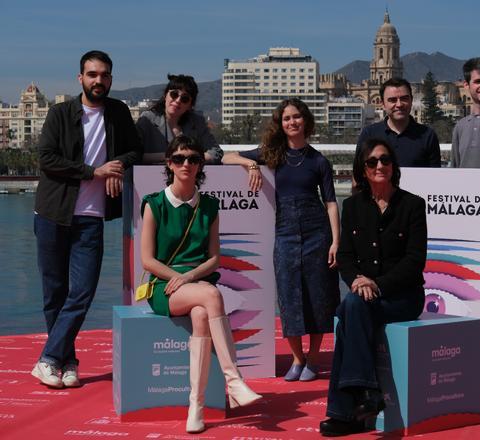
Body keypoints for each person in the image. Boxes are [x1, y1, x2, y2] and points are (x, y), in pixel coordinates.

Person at [32, 50, 141, 388]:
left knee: (81, 293)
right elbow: (47, 158)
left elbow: (134, 151)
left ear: (110, 79)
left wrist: (117, 165)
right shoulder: (60, 113)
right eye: (92, 74)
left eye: (104, 75)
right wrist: (93, 172)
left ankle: (48, 358)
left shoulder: (119, 112)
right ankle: (66, 362)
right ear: (80, 78)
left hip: (91, 218)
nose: (99, 80)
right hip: (52, 213)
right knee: (55, 293)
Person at [140, 135, 261, 433]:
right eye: (179, 159)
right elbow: (147, 260)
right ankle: (234, 381)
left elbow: (214, 259)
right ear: (169, 164)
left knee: (201, 314)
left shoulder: (209, 206)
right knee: (210, 295)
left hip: (195, 283)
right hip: (163, 287)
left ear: (200, 165)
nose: (186, 164)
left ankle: (196, 406)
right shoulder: (154, 204)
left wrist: (189, 277)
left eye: (193, 159)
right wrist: (177, 277)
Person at [223, 98, 340, 382]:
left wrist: (336, 241)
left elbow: (331, 203)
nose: (292, 122)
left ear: (306, 121)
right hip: (285, 232)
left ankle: (313, 359)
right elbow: (226, 157)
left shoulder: (318, 161)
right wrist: (251, 165)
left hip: (317, 232)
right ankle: (297, 359)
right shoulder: (272, 154)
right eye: (286, 118)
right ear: (281, 123)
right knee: (289, 296)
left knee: (317, 296)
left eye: (297, 117)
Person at [320, 138, 427, 437]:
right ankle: (362, 399)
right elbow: (344, 256)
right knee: (352, 309)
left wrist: (376, 284)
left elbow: (414, 261)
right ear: (363, 170)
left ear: (393, 167)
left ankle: (348, 410)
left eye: (385, 160)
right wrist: (356, 280)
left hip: (403, 298)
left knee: (350, 312)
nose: (379, 166)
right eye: (372, 162)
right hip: (363, 296)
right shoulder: (352, 206)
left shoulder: (413, 205)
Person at [136, 74, 223, 164]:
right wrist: (169, 156)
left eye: (184, 99)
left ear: (190, 105)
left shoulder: (197, 122)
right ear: (165, 95)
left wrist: (190, 158)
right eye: (174, 94)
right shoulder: (147, 120)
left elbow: (216, 152)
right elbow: (134, 155)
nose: (178, 100)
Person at [355, 77, 442, 168]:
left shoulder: (428, 136)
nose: (399, 104)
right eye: (392, 100)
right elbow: (358, 174)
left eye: (404, 98)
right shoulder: (369, 134)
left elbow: (435, 176)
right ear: (383, 104)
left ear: (411, 100)